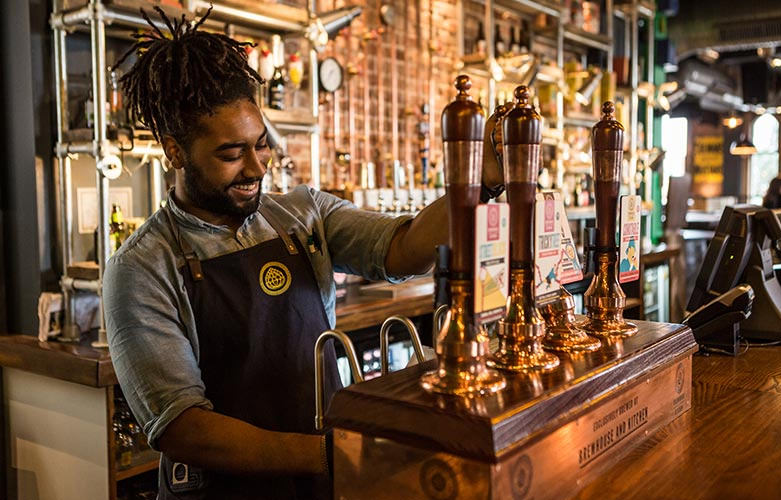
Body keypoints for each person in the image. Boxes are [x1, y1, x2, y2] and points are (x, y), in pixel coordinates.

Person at [104, 7, 502, 500]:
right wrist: (331, 454)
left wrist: (478, 183)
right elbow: (183, 427)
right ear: (175, 151)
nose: (256, 168)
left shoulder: (302, 214)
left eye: (261, 146)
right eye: (231, 154)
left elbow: (403, 249)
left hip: (320, 483)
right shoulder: (142, 267)